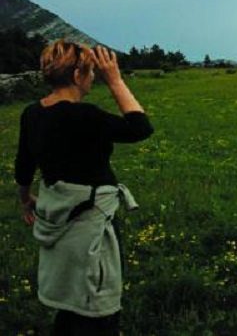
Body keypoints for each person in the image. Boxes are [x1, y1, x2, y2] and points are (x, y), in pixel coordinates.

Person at [14, 40, 154, 335]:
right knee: (97, 300)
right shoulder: (86, 115)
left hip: (57, 213)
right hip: (90, 220)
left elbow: (24, 164)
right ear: (78, 75)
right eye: (91, 73)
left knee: (69, 293)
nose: (93, 78)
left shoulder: (32, 114)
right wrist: (115, 80)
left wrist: (26, 199)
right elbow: (140, 128)